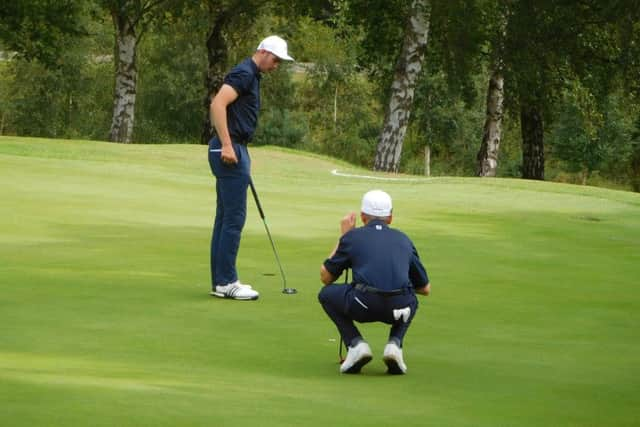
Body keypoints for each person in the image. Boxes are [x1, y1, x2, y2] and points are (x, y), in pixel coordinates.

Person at [208, 36, 294, 301]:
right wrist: (227, 145)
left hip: (235, 148)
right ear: (264, 52)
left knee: (225, 219)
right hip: (229, 150)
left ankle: (221, 281)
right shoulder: (244, 73)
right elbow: (217, 104)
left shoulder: (252, 75)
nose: (276, 66)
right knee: (233, 219)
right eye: (276, 60)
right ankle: (226, 282)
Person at [318, 190, 431, 374]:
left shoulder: (353, 237)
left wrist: (344, 237)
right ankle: (395, 344)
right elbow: (425, 288)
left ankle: (356, 345)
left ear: (363, 217)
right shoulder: (404, 239)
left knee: (326, 295)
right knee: (411, 299)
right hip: (398, 309)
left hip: (363, 305)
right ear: (390, 218)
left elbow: (326, 277)